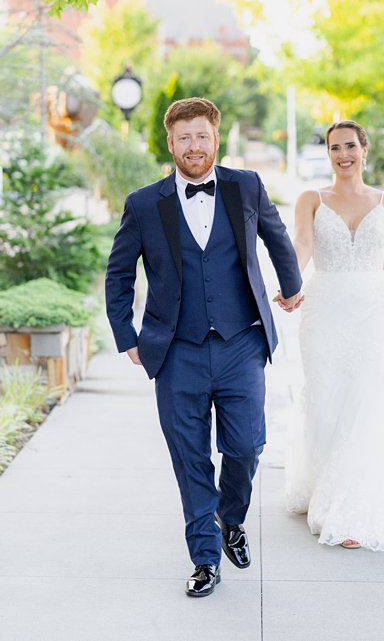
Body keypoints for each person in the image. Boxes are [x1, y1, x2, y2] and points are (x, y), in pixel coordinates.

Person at [105, 98, 304, 598]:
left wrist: (292, 283)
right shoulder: (144, 204)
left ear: (216, 138)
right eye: (183, 138)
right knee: (190, 457)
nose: (194, 146)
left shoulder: (246, 187)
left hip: (241, 343)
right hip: (176, 351)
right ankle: (204, 558)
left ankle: (230, 517)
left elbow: (277, 238)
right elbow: (119, 273)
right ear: (169, 143)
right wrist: (127, 336)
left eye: (202, 136)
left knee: (246, 446)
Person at [282, 119, 384, 551]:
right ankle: (319, 483)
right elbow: (301, 245)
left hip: (373, 312)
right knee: (325, 403)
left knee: (363, 404)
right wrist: (289, 283)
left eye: (350, 145)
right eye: (334, 148)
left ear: (365, 149)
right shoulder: (311, 199)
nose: (343, 154)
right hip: (325, 309)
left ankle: (351, 508)